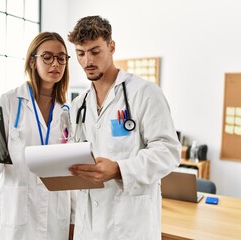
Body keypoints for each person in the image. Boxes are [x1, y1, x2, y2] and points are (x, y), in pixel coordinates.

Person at [67, 16, 181, 239]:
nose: (87, 60)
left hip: (130, 225)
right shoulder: (78, 105)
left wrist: (119, 169)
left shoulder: (145, 93)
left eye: (95, 51)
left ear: (111, 47)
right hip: (88, 227)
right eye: (81, 53)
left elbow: (168, 151)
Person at [0, 32, 75, 240]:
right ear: (32, 61)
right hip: (18, 211)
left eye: (61, 58)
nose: (55, 63)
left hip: (55, 212)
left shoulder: (69, 110)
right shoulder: (8, 101)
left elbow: (72, 168)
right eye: (47, 57)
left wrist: (74, 220)